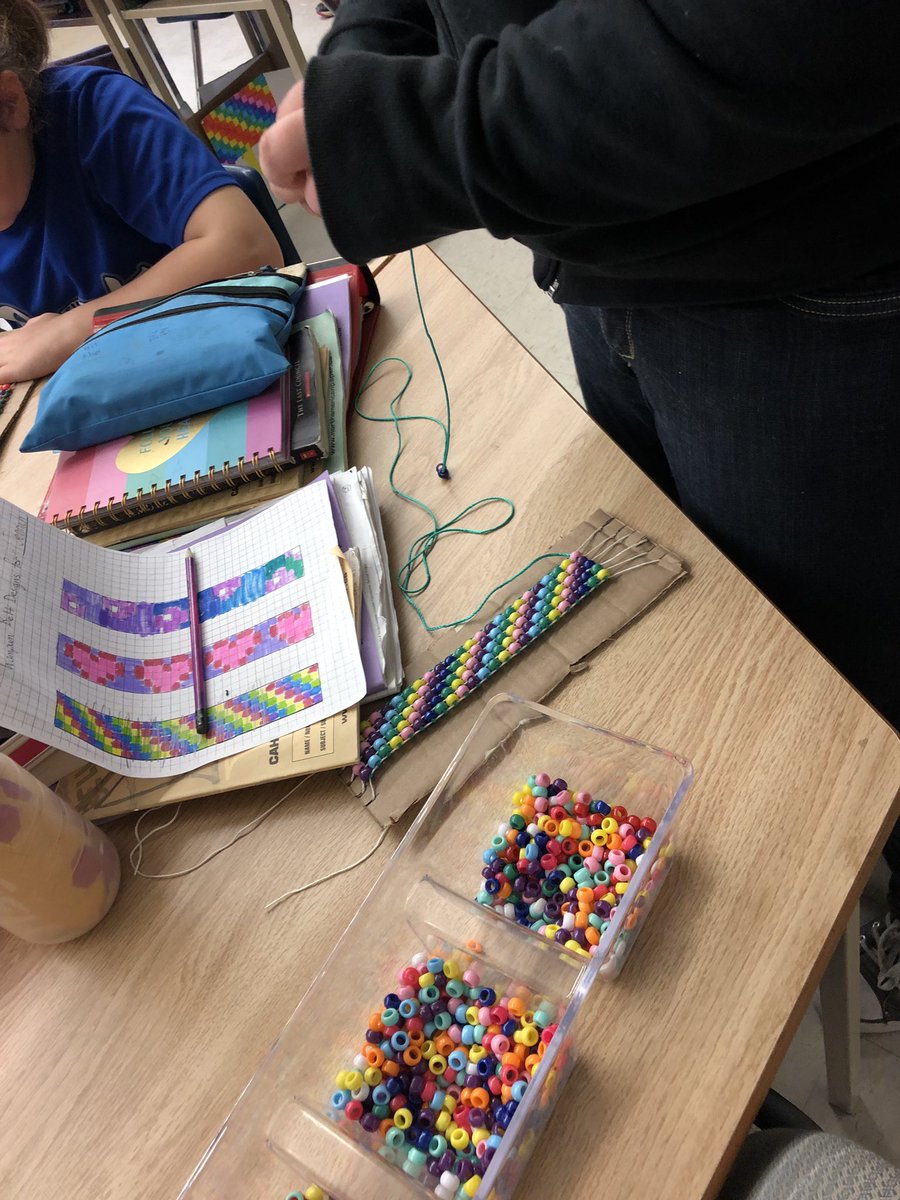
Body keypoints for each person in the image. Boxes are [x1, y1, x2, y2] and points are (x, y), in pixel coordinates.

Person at [258, 0, 900, 1031]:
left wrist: (419, 132)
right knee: (702, 655)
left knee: (848, 699)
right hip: (598, 246)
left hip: (815, 277)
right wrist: (373, 48)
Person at [0, 0, 283, 383]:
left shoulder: (98, 113)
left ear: (10, 103)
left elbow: (248, 247)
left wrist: (67, 332)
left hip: (221, 360)